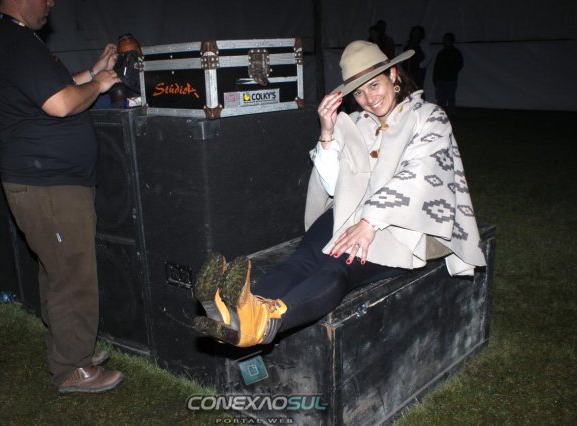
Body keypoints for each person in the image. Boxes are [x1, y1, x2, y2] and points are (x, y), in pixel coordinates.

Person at [192, 40, 486, 348]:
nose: (369, 99)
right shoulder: (356, 124)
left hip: (410, 229)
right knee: (301, 261)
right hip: (355, 215)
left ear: (393, 75)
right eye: (359, 93)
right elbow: (335, 187)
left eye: (374, 85)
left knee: (339, 265)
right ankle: (235, 316)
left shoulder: (428, 117)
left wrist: (369, 222)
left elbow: (420, 174)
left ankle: (264, 322)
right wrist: (327, 132)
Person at [0, 0, 123, 393]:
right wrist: (99, 85)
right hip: (47, 184)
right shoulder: (14, 40)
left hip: (48, 182)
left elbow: (52, 89)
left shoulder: (11, 38)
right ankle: (72, 367)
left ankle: (68, 346)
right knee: (72, 276)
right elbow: (61, 104)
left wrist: (92, 71)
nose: (50, 3)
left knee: (58, 270)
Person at [433, 33, 464, 116]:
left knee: (450, 98)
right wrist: (435, 78)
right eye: (445, 39)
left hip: (451, 80)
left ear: (452, 41)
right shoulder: (441, 53)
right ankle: (440, 115)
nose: (446, 41)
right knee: (440, 99)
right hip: (440, 79)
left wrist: (451, 71)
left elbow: (460, 65)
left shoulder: (456, 53)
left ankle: (451, 114)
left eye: (448, 39)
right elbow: (436, 67)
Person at [402, 25, 432, 90]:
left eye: (418, 32)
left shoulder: (423, 43)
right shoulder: (407, 43)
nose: (415, 34)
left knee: (417, 88)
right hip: (407, 69)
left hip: (418, 71)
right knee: (407, 87)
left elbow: (429, 56)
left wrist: (421, 65)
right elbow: (401, 54)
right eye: (414, 32)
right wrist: (402, 64)